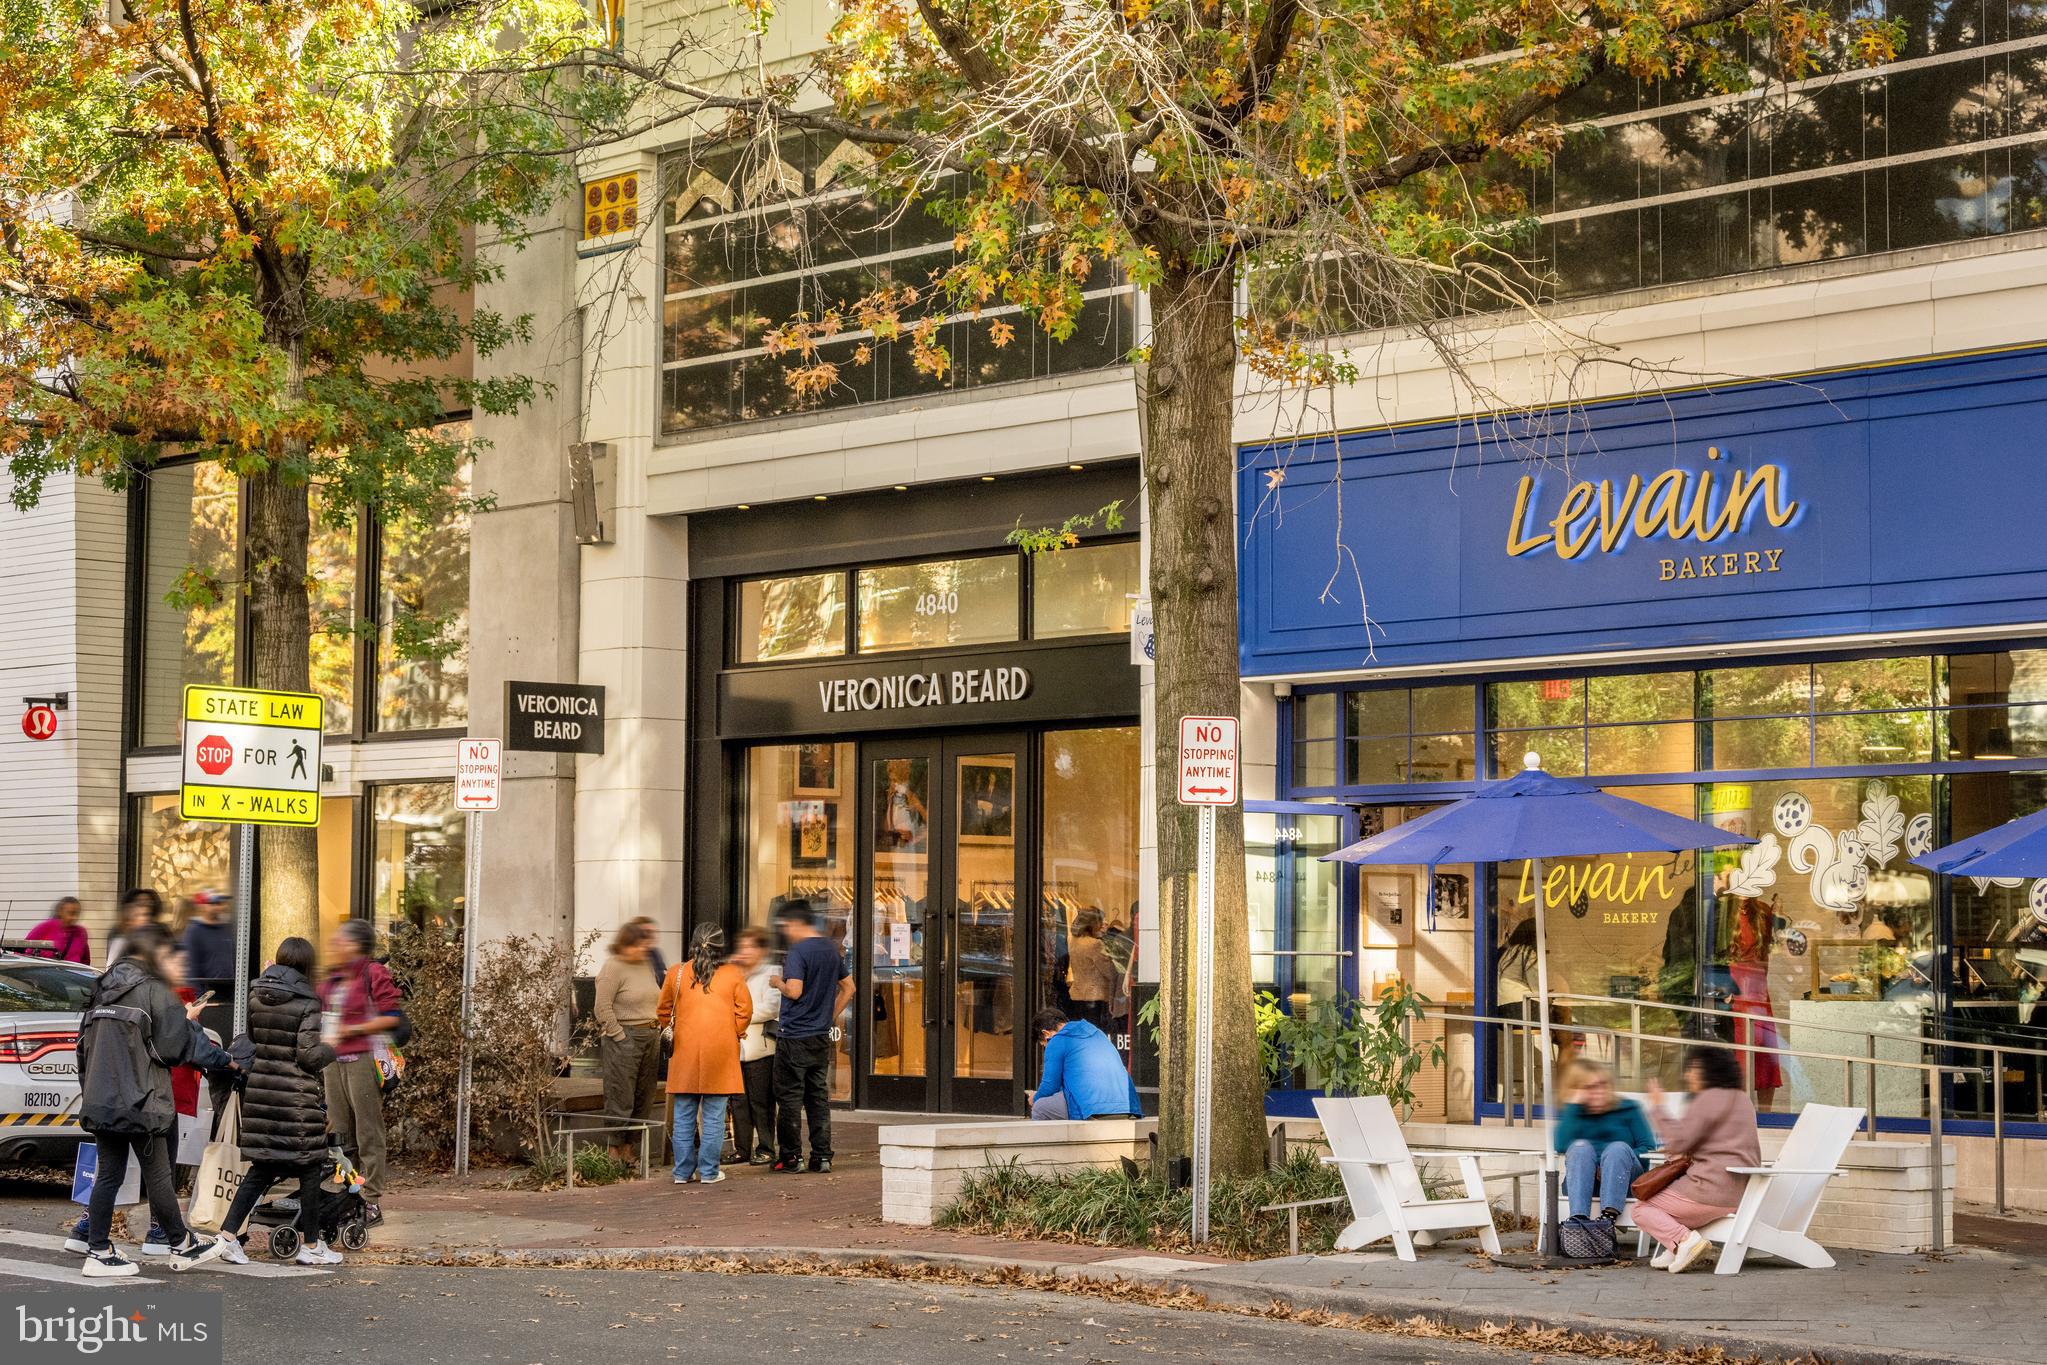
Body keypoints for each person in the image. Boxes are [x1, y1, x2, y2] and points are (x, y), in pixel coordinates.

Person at [71, 925, 229, 1277]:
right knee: (158, 1176)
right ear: (154, 954)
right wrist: (186, 1021)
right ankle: (182, 1245)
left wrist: (93, 1089)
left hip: (102, 1100)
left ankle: (97, 1249)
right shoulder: (155, 992)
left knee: (108, 1176)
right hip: (142, 1101)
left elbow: (81, 1048)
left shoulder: (101, 992)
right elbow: (171, 1051)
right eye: (170, 953)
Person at [216, 937, 343, 1266]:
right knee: (311, 1167)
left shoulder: (256, 994)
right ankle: (312, 1246)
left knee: (261, 1167)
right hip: (296, 1100)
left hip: (262, 1093)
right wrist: (333, 1044)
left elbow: (255, 1040)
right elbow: (309, 1056)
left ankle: (228, 1236)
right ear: (306, 965)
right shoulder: (308, 1001)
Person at [1638, 1045, 1761, 1274]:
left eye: (1694, 1068)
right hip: (1741, 1193)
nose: (1688, 1075)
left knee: (1642, 1209)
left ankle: (1685, 1242)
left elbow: (1678, 1140)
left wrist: (1657, 1105)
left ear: (1710, 1070)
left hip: (1708, 1189)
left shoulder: (1708, 1099)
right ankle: (1675, 1247)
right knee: (1668, 1205)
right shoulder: (1743, 1099)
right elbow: (1713, 1142)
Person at [656, 924, 750, 1185]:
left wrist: (670, 1028)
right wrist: (735, 1032)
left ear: (693, 944)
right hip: (720, 1053)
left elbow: (663, 1009)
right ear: (721, 947)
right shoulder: (732, 974)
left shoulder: (677, 972)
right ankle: (709, 1172)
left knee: (684, 1116)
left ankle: (682, 1173)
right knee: (714, 1118)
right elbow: (744, 1011)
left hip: (684, 1052)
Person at [321, 920, 400, 1225]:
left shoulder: (373, 973)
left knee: (368, 1130)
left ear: (356, 944)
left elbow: (391, 1017)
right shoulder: (333, 976)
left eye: (340, 940)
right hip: (332, 1059)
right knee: (337, 1132)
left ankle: (371, 1200)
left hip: (363, 1057)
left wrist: (355, 1027)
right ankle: (345, 1197)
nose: (334, 944)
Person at [769, 899, 852, 1172]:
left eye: (786, 926)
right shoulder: (830, 948)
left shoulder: (797, 952)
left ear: (795, 923)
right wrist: (829, 1014)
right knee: (817, 1096)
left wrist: (777, 982)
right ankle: (822, 1155)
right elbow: (848, 987)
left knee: (790, 1097)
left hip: (794, 1034)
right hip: (819, 1034)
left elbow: (794, 990)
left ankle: (791, 1156)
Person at [1553, 1057, 1657, 1222]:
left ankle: (1607, 1220)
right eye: (1590, 1088)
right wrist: (1573, 1107)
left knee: (1617, 1148)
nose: (1599, 1091)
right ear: (1578, 1091)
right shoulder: (1575, 1113)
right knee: (1580, 1147)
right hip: (1584, 1185)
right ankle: (1578, 1221)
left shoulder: (1629, 1108)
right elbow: (1560, 1145)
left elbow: (1648, 1148)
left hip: (1626, 1182)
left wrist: (1607, 1165)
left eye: (1602, 1084)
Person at [594, 921, 664, 1163]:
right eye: (639, 944)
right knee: (620, 1095)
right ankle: (613, 1150)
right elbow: (602, 1007)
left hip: (650, 1035)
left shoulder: (645, 964)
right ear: (626, 943)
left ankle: (629, 1149)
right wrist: (619, 1035)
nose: (644, 948)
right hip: (626, 1035)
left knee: (644, 1096)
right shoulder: (613, 967)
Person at [1028, 1008, 1142, 1120]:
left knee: (1040, 1107)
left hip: (1095, 1109)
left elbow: (1050, 1086)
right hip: (1127, 1107)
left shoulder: (1056, 1041)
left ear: (1046, 1033)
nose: (1046, 1047)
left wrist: (1035, 1098)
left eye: (1044, 1045)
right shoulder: (1097, 1033)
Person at [730, 927, 780, 1165]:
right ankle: (742, 1149)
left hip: (760, 1048)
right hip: (735, 1047)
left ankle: (767, 1148)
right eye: (743, 946)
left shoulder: (772, 972)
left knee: (762, 1102)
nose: (745, 951)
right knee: (738, 1101)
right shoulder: (734, 973)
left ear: (761, 949)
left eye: (750, 946)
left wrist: (739, 1016)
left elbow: (771, 1008)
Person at [180, 893, 236, 1040]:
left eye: (219, 903)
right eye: (212, 904)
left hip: (228, 996)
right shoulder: (193, 931)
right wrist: (198, 999)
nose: (217, 907)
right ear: (202, 907)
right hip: (205, 999)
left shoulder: (226, 928)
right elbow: (191, 967)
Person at [1064, 909, 1119, 1030]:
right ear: (1093, 924)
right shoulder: (1095, 944)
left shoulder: (1072, 940)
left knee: (1080, 1032)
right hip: (1095, 996)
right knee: (1095, 1031)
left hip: (1077, 993)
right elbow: (1109, 971)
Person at [105, 888, 162, 967]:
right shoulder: (119, 940)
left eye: (147, 914)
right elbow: (111, 969)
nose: (146, 918)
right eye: (141, 914)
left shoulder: (158, 936)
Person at [25, 896, 90, 963]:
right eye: (70, 913)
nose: (74, 917)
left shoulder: (81, 932)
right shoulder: (46, 927)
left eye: (77, 914)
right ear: (60, 912)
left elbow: (85, 961)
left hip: (71, 972)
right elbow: (22, 950)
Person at [628, 915, 669, 984]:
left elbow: (664, 977)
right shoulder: (625, 957)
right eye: (647, 932)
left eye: (653, 932)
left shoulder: (655, 953)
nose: (652, 936)